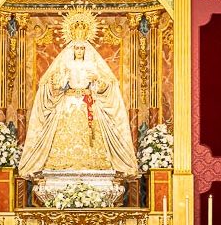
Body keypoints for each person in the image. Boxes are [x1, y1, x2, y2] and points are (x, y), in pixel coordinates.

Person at [18, 39, 137, 178]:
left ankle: (92, 163)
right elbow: (55, 85)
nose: (79, 51)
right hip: (68, 103)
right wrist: (63, 80)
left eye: (81, 48)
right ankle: (62, 164)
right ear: (72, 50)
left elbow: (105, 85)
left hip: (88, 102)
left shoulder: (92, 65)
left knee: (92, 132)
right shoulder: (66, 64)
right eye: (77, 48)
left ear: (85, 51)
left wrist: (96, 79)